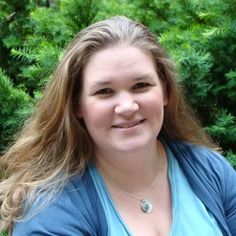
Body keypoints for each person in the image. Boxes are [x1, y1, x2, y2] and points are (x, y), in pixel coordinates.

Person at [0, 16, 235, 236]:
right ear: (77, 106)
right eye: (105, 92)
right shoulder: (50, 210)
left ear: (165, 91)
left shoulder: (210, 170)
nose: (127, 106)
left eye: (141, 85)